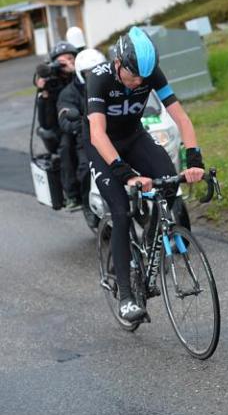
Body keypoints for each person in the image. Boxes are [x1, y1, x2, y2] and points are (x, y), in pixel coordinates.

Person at [85, 26, 206, 322]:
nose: (138, 82)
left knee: (168, 179)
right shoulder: (98, 78)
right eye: (133, 75)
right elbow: (98, 134)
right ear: (119, 63)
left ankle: (151, 241)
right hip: (102, 147)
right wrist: (126, 175)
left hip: (134, 137)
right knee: (122, 211)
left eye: (143, 77)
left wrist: (194, 159)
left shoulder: (151, 73)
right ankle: (126, 295)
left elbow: (182, 118)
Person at [57, 49, 107, 223]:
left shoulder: (115, 83)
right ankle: (88, 206)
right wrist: (82, 124)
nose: (93, 75)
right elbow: (64, 118)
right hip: (87, 139)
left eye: (98, 69)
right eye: (88, 72)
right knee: (86, 169)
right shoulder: (68, 93)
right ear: (80, 73)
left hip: (116, 133)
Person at [34, 41, 80, 209]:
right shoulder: (51, 83)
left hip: (89, 119)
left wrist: (74, 69)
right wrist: (44, 94)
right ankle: (73, 195)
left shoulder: (81, 76)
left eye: (70, 58)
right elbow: (46, 122)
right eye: (61, 61)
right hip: (64, 128)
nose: (65, 64)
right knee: (66, 147)